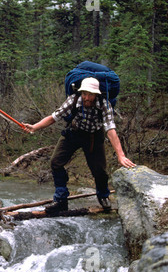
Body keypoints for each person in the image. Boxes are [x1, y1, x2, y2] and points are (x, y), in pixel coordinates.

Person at [24, 77, 136, 213]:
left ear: (96, 94)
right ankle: (60, 200)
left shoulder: (104, 105)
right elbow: (54, 117)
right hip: (74, 132)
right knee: (55, 162)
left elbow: (110, 130)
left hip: (94, 136)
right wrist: (35, 127)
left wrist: (121, 155)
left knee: (99, 170)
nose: (87, 98)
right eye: (84, 94)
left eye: (90, 94)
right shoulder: (73, 100)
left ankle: (103, 196)